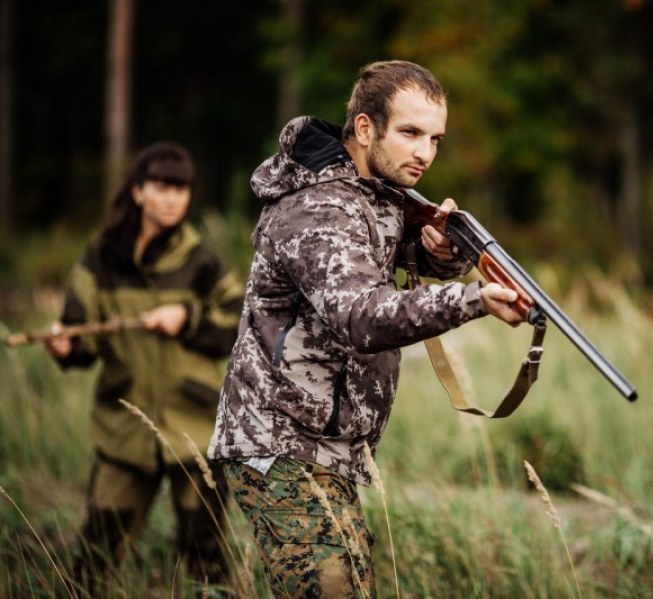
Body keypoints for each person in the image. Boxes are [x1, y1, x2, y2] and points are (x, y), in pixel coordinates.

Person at [207, 59, 524, 597]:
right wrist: (473, 299)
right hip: (279, 442)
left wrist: (445, 254)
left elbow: (392, 256)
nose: (425, 152)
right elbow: (362, 315)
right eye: (410, 133)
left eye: (435, 138)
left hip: (329, 449)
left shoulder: (373, 197)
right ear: (364, 128)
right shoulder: (319, 208)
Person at [45, 142, 245, 594]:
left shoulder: (202, 260)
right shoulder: (101, 258)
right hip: (124, 427)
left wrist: (187, 318)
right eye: (162, 187)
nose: (174, 198)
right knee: (94, 558)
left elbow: (243, 325)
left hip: (193, 428)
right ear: (138, 192)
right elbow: (81, 336)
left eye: (182, 189)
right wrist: (63, 347)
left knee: (207, 559)